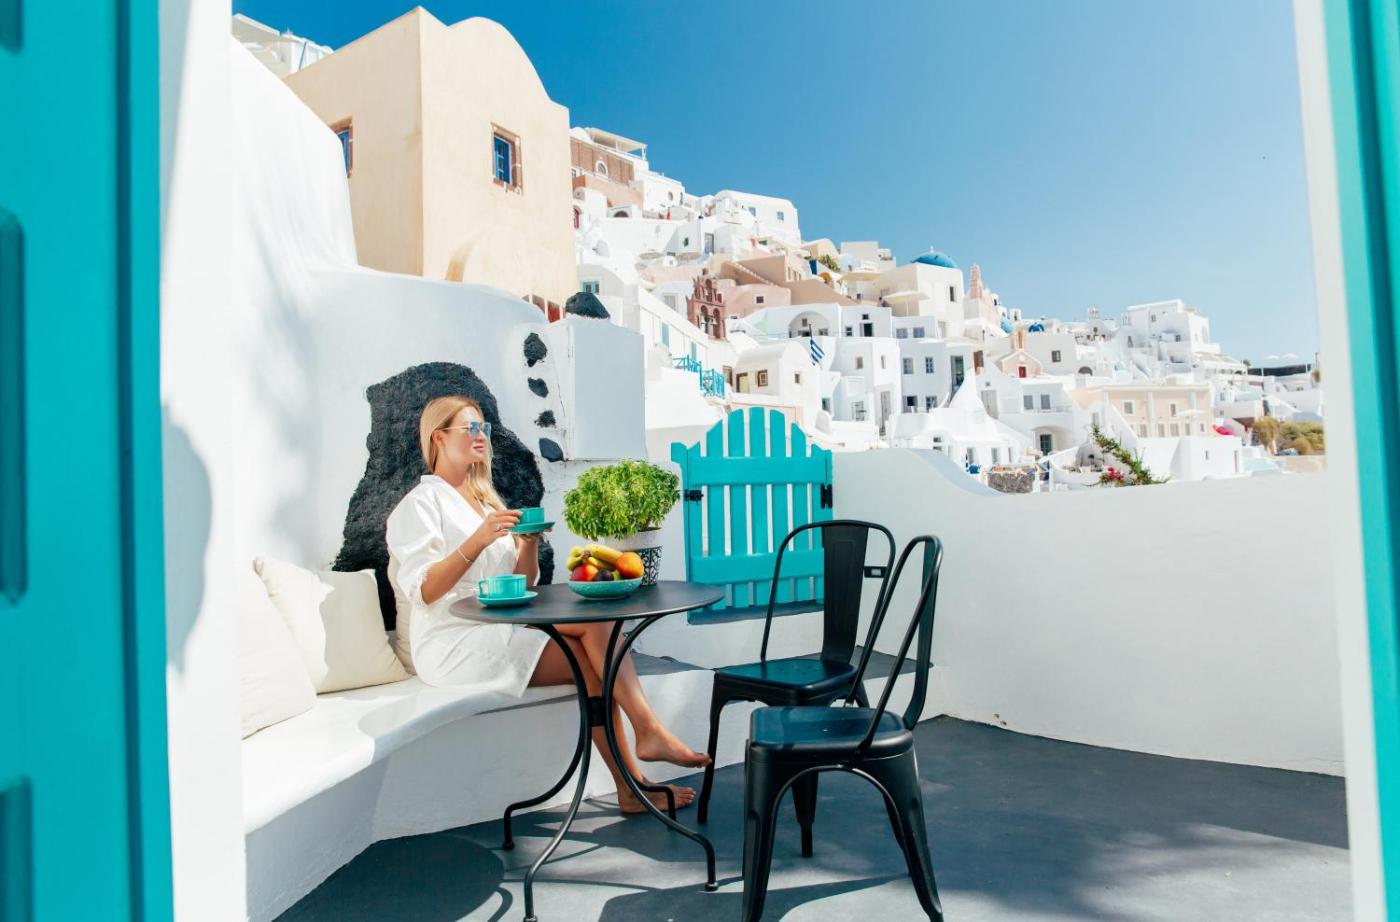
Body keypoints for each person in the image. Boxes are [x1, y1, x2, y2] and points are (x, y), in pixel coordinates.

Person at [385, 395, 709, 814]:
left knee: (596, 641)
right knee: (594, 649)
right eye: (470, 428)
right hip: (452, 642)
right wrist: (478, 540)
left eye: (484, 427)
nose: (481, 436)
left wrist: (527, 546)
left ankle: (635, 775)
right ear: (439, 438)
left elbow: (521, 585)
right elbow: (425, 590)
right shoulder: (420, 505)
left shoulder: (485, 501)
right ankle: (642, 751)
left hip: (498, 626)